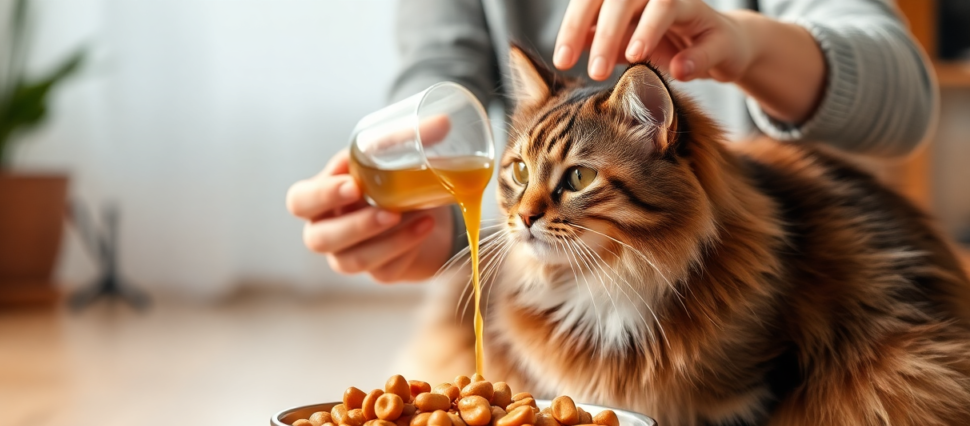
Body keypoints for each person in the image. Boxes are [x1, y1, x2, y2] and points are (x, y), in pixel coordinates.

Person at [286, 0, 936, 284]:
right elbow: (434, 85)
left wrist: (747, 44)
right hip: (549, 271)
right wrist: (424, 210)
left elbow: (908, 101)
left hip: (750, 277)